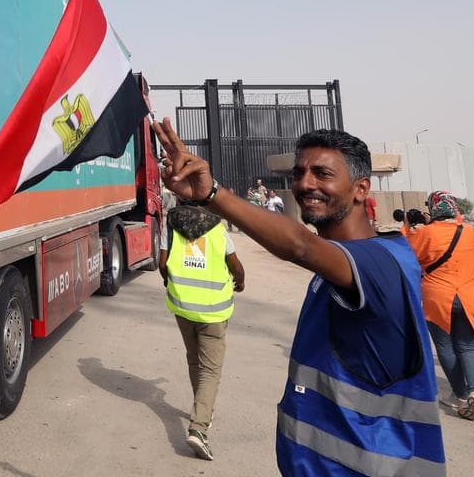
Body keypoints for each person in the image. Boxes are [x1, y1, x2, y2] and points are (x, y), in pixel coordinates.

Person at [155, 119, 444, 476]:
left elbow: (300, 246)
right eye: (300, 172)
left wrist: (213, 193)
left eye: (322, 174)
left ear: (360, 189)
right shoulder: (339, 265)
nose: (305, 184)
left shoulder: (381, 263)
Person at [159, 205, 246, 461]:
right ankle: (199, 427)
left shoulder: (172, 225)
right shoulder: (218, 228)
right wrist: (239, 281)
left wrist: (171, 282)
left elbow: (162, 264)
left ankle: (202, 409)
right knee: (210, 369)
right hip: (213, 312)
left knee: (194, 359)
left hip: (182, 306)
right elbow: (236, 265)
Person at [408, 191, 474, 421]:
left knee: (446, 347)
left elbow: (408, 255)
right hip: (470, 296)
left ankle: (460, 396)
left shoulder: (426, 233)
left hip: (439, 297)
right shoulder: (469, 232)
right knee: (469, 348)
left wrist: (409, 228)